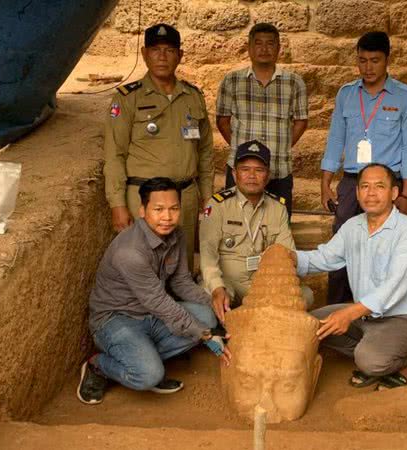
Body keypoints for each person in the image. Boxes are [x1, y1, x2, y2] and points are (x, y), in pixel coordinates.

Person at [77, 177, 229, 405]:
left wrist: (221, 310)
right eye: (158, 209)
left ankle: (143, 356)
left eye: (174, 209)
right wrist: (205, 335)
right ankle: (99, 366)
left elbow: (181, 283)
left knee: (206, 316)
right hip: (116, 320)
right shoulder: (130, 252)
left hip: (151, 315)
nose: (167, 217)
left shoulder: (176, 235)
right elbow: (159, 302)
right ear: (142, 211)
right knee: (149, 375)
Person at [294, 163, 407, 389]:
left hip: (403, 319)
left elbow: (394, 287)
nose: (371, 193)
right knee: (306, 326)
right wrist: (290, 258)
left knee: (369, 361)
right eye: (364, 186)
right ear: (357, 193)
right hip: (363, 317)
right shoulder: (352, 226)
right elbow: (325, 258)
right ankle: (376, 348)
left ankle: (400, 359)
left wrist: (347, 314)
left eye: (379, 186)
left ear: (394, 193)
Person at [320, 31, 407, 305]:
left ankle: (383, 311)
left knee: (386, 248)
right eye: (362, 61)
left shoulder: (405, 97)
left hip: (388, 183)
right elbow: (335, 139)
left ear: (388, 60)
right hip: (352, 182)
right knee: (342, 244)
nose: (368, 68)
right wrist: (325, 182)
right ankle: (337, 311)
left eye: (375, 61)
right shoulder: (347, 94)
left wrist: (406, 194)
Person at [103, 23, 214, 270]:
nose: (162, 56)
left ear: (180, 56)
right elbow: (114, 154)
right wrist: (117, 205)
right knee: (145, 268)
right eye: (155, 50)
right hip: (144, 198)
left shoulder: (193, 96)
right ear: (144, 54)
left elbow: (205, 150)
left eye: (169, 50)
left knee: (180, 269)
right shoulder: (128, 97)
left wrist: (207, 195)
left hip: (184, 198)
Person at [200, 140, 314, 323]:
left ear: (267, 176)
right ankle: (255, 320)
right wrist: (217, 288)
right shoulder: (218, 205)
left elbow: (287, 254)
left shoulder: (278, 207)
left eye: (259, 170)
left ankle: (250, 320)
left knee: (305, 295)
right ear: (235, 174)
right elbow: (208, 257)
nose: (252, 175)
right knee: (209, 295)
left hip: (263, 285)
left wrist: (276, 288)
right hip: (229, 284)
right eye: (245, 169)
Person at [215, 22, 308, 217]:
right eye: (258, 43)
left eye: (270, 44)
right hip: (241, 169)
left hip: (279, 169)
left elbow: (301, 121)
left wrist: (283, 146)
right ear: (249, 47)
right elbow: (222, 121)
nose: (264, 49)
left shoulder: (294, 82)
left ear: (279, 48)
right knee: (236, 227)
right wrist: (239, 148)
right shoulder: (232, 81)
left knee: (278, 231)